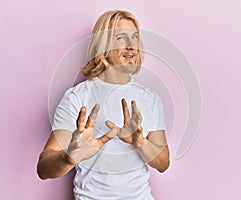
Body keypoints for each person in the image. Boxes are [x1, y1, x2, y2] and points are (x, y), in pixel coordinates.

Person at [37, 10, 170, 200]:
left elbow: (163, 163)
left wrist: (140, 142)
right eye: (121, 38)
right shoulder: (77, 97)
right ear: (104, 45)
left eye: (134, 37)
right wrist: (68, 157)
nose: (132, 46)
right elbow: (43, 168)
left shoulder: (150, 98)